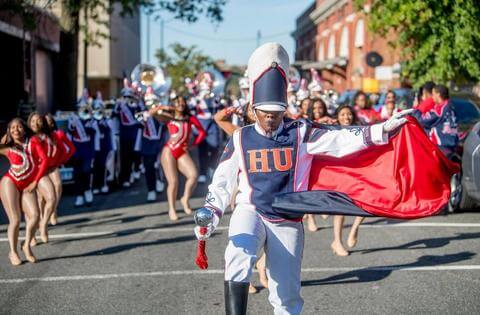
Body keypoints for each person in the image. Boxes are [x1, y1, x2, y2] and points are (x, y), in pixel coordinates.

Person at [193, 43, 409, 315]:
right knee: (239, 254)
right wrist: (211, 212)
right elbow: (222, 181)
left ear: (285, 108)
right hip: (251, 209)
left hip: (288, 217)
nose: (271, 118)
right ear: (253, 108)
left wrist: (380, 130)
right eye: (265, 112)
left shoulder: (301, 132)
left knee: (286, 296)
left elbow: (338, 139)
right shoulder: (241, 137)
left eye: (277, 112)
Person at [214, 103, 269, 294]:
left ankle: (262, 269)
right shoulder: (240, 132)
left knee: (271, 238)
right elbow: (218, 118)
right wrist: (233, 108)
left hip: (266, 188)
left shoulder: (275, 130)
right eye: (250, 109)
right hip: (242, 186)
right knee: (245, 237)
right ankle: (245, 278)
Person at [150, 95, 206, 220]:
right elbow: (151, 113)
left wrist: (192, 145)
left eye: (182, 102)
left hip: (182, 151)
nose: (181, 104)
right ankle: (172, 209)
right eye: (178, 102)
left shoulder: (189, 118)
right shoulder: (168, 117)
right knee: (173, 182)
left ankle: (185, 198)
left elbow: (202, 132)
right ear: (173, 104)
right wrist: (164, 107)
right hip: (169, 150)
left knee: (193, 175)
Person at [0, 118, 47, 265]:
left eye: (19, 127)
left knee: (35, 215)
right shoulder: (8, 148)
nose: (16, 130)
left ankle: (26, 245)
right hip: (10, 182)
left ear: (24, 128)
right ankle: (13, 252)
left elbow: (44, 160)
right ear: (9, 131)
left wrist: (35, 182)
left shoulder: (33, 141)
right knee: (15, 219)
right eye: (12, 128)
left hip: (28, 185)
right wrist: (3, 138)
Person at [329, 105, 367, 256]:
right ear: (337, 117)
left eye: (349, 114)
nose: (346, 117)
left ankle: (355, 228)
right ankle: (337, 242)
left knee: (366, 203)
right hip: (339, 174)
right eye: (343, 114)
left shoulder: (359, 131)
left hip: (357, 172)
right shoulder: (331, 132)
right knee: (340, 209)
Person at [27, 112, 58, 243]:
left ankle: (43, 224)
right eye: (33, 121)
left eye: (38, 120)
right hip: (26, 174)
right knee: (31, 206)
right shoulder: (25, 137)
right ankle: (31, 236)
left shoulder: (47, 136)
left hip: (40, 173)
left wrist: (55, 164)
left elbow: (50, 155)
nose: (36, 123)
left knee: (51, 198)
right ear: (28, 123)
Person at [44, 114, 76, 225]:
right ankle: (44, 216)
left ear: (52, 123)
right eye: (45, 121)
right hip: (40, 168)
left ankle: (53, 209)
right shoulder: (38, 136)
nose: (47, 123)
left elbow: (71, 149)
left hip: (53, 166)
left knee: (57, 185)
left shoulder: (59, 134)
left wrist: (61, 161)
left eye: (49, 121)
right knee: (43, 195)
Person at [413, 84, 459, 157]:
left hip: (442, 147)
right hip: (452, 145)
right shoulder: (451, 106)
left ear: (438, 94)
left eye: (433, 94)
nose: (432, 97)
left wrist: (416, 109)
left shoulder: (440, 109)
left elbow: (421, 120)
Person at [68, 91, 97, 207]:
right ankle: (79, 195)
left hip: (87, 148)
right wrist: (74, 124)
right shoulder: (73, 118)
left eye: (84, 108)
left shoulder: (91, 119)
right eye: (80, 108)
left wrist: (88, 121)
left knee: (86, 171)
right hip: (76, 147)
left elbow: (93, 132)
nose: (82, 110)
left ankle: (88, 190)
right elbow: (70, 131)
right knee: (77, 173)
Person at [141, 87, 167, 202]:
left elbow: (166, 123)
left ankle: (160, 180)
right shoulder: (141, 111)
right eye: (148, 101)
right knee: (149, 166)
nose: (150, 104)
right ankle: (151, 190)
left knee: (160, 165)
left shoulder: (160, 112)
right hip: (147, 144)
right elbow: (137, 121)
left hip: (161, 142)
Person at [91, 92, 115, 195]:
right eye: (96, 109)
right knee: (95, 167)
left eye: (100, 109)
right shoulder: (91, 121)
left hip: (105, 146)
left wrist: (103, 120)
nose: (98, 111)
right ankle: (95, 186)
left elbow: (111, 129)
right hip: (95, 148)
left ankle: (104, 184)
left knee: (104, 166)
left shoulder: (107, 120)